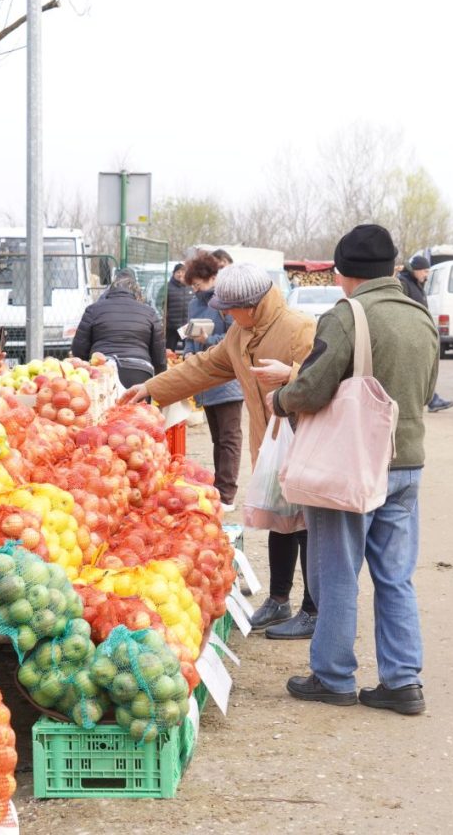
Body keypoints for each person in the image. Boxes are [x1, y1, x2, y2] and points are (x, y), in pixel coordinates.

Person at [271, 224, 438, 712]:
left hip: (352, 466)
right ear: (390, 267)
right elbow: (427, 391)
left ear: (342, 273)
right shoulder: (419, 315)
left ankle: (334, 676)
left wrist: (281, 398)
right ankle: (403, 681)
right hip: (406, 464)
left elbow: (314, 387)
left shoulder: (348, 316)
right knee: (395, 576)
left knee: (339, 571)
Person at [121, 262, 319, 640]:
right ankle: (279, 600)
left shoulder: (299, 328)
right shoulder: (241, 335)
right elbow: (204, 367)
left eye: (229, 309)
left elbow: (327, 378)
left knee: (308, 525)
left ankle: (314, 607)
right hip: (270, 442)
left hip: (306, 441)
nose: (224, 316)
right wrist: (151, 388)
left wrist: (292, 376)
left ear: (252, 305)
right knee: (279, 518)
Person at [181, 252, 243, 510]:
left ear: (213, 278)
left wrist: (210, 341)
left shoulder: (226, 303)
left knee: (230, 437)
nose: (196, 289)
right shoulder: (195, 304)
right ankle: (219, 488)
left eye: (199, 284)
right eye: (193, 285)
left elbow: (236, 340)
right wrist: (187, 352)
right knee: (218, 438)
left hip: (227, 379)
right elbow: (188, 336)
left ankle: (227, 493)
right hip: (204, 378)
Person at [72, 270, 167, 388]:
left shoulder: (93, 310)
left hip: (102, 370)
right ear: (137, 292)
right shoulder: (149, 312)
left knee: (104, 404)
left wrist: (87, 366)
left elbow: (79, 348)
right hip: (139, 371)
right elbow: (159, 351)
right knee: (138, 406)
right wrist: (160, 375)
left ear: (109, 291)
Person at [398, 255, 453, 412]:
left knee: (420, 369)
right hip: (409, 334)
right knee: (416, 369)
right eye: (424, 271)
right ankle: (430, 400)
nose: (426, 275)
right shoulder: (404, 283)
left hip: (418, 332)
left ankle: (431, 400)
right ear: (415, 270)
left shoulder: (416, 283)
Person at [160, 263, 193, 353]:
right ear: (173, 273)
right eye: (178, 272)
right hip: (172, 327)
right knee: (169, 351)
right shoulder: (167, 287)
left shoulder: (191, 287)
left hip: (186, 326)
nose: (180, 274)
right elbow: (160, 305)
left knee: (188, 351)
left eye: (183, 272)